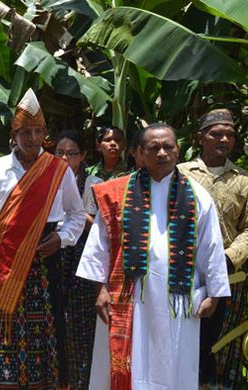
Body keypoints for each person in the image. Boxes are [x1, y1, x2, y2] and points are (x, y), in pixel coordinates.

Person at [77, 123, 230, 389]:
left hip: (177, 299)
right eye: (153, 147)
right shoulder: (116, 194)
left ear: (178, 151)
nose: (162, 153)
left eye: (168, 147)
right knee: (123, 365)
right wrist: (99, 288)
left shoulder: (197, 196)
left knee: (173, 364)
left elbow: (212, 246)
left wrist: (214, 294)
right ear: (138, 153)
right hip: (125, 295)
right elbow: (99, 244)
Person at [0, 89, 85, 389]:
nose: (32, 138)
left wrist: (61, 239)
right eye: (26, 132)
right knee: (4, 327)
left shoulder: (59, 170)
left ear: (45, 134)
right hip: (4, 260)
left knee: (44, 329)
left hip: (45, 259)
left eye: (38, 131)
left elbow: (76, 214)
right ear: (15, 134)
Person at [178, 109, 248, 387]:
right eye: (216, 133)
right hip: (185, 273)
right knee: (185, 337)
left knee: (220, 344)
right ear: (200, 138)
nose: (224, 139)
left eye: (229, 134)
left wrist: (229, 259)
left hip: (229, 276)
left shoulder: (243, 180)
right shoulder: (180, 174)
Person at [53, 130, 103, 389]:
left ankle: (80, 378)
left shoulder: (93, 183)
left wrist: (77, 213)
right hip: (53, 252)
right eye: (59, 152)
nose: (64, 158)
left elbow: (99, 227)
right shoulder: (47, 177)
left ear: (83, 156)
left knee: (80, 320)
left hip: (82, 255)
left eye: (71, 153)